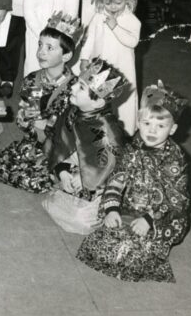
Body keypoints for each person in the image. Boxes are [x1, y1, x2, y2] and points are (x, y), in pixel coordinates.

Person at [76, 80, 190, 283]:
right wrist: (112, 208)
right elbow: (117, 179)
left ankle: (145, 241)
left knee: (135, 251)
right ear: (138, 123)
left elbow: (178, 201)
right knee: (104, 239)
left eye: (161, 125)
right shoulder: (132, 147)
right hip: (131, 205)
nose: (152, 131)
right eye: (147, 124)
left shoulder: (174, 158)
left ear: (172, 130)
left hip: (163, 214)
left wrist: (149, 219)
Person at [0, 13, 81, 193]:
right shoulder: (32, 80)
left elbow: (75, 132)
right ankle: (52, 178)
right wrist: (24, 119)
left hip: (61, 150)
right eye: (40, 45)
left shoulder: (75, 89)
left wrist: (46, 126)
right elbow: (23, 119)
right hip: (34, 144)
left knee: (37, 180)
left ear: (66, 55)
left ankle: (60, 174)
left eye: (49, 48)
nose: (41, 52)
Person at [42, 57, 129, 234]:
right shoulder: (73, 111)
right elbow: (58, 142)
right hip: (77, 169)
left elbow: (111, 165)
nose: (72, 87)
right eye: (76, 82)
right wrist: (63, 170)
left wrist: (84, 178)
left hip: (102, 182)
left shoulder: (108, 130)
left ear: (98, 102)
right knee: (52, 195)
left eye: (81, 87)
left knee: (81, 220)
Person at [79, 0, 140, 134]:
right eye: (107, 3)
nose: (112, 7)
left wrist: (115, 27)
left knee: (123, 100)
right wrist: (84, 57)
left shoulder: (131, 19)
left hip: (123, 67)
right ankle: (100, 130)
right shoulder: (99, 16)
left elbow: (133, 41)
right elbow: (90, 37)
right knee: (99, 97)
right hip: (101, 67)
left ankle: (126, 132)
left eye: (118, 3)